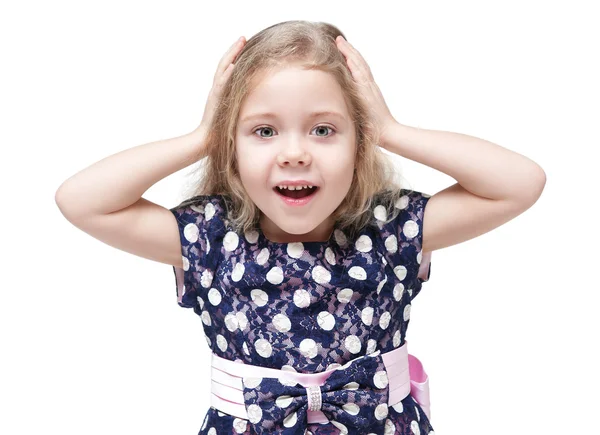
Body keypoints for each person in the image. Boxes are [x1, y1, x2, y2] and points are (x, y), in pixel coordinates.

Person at [55, 20, 546, 435]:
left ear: (359, 141)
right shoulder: (207, 237)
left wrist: (392, 130)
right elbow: (81, 201)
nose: (294, 152)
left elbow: (519, 184)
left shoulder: (390, 228)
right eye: (264, 131)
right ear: (233, 146)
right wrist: (201, 136)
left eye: (324, 129)